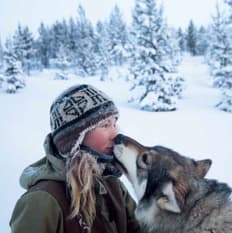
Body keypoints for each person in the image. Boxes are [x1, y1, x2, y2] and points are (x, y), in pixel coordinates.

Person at [10, 84, 141, 233]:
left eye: (114, 123)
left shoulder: (111, 183)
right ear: (74, 138)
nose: (116, 134)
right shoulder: (42, 201)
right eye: (105, 125)